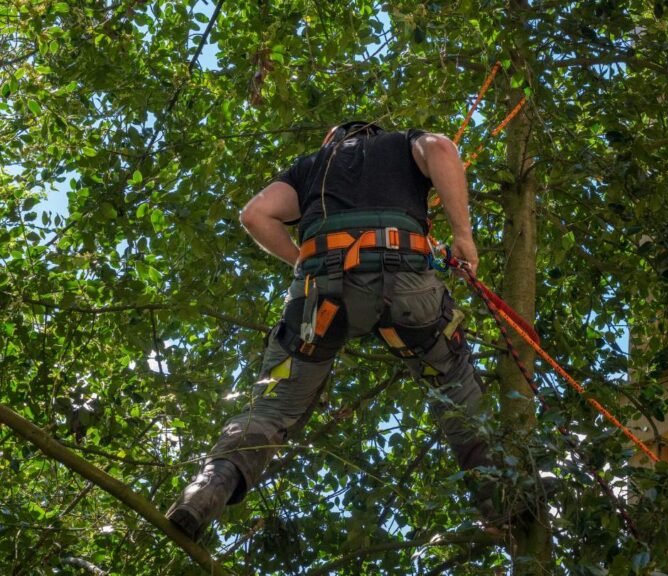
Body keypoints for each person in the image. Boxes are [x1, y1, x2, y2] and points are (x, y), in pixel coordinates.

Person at [166, 121, 494, 540]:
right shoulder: (401, 144)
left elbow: (254, 215)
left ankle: (209, 486)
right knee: (454, 383)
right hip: (407, 284)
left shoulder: (310, 167)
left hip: (320, 295)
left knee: (272, 408)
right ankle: (501, 500)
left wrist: (308, 264)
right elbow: (443, 150)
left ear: (331, 142)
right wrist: (463, 237)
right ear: (374, 134)